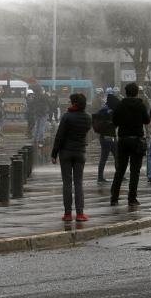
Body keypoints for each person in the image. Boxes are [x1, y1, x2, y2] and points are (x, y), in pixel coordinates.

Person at [51, 93, 92, 222]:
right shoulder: (87, 117)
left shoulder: (67, 117)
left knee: (67, 183)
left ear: (73, 103)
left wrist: (54, 153)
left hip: (66, 153)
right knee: (78, 183)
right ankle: (80, 214)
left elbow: (60, 136)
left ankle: (67, 214)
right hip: (80, 152)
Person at [110, 82, 151, 207]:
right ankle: (132, 198)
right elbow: (147, 120)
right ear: (136, 92)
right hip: (137, 140)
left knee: (120, 170)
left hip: (123, 140)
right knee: (135, 171)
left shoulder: (120, 105)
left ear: (125, 92)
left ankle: (114, 198)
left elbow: (114, 121)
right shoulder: (140, 105)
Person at [93, 89, 120, 183]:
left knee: (116, 155)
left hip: (109, 136)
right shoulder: (107, 111)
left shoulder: (104, 109)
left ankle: (118, 174)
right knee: (106, 157)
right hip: (107, 137)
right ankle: (100, 177)